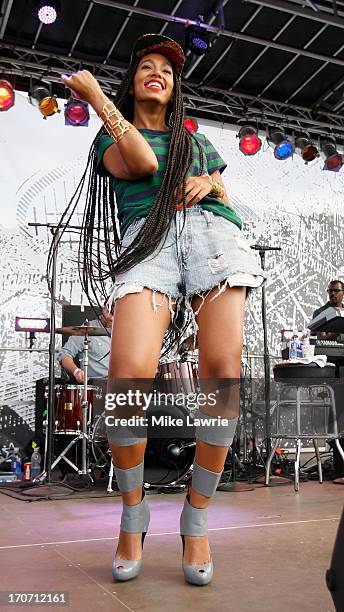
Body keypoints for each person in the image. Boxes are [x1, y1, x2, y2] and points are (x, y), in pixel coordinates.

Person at [61, 33, 266, 587]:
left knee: (222, 375)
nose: (159, 73)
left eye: (168, 71)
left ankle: (195, 518)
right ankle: (133, 515)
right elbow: (144, 160)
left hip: (211, 240)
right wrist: (99, 99)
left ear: (176, 88)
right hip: (148, 244)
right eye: (146, 67)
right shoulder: (110, 140)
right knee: (128, 376)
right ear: (130, 83)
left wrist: (211, 182)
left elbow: (220, 191)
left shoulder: (196, 140)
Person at [58, 306, 112, 382]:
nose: (112, 318)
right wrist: (76, 371)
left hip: (120, 386)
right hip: (96, 386)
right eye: (111, 313)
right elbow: (64, 354)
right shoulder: (86, 330)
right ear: (104, 309)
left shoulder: (126, 331)